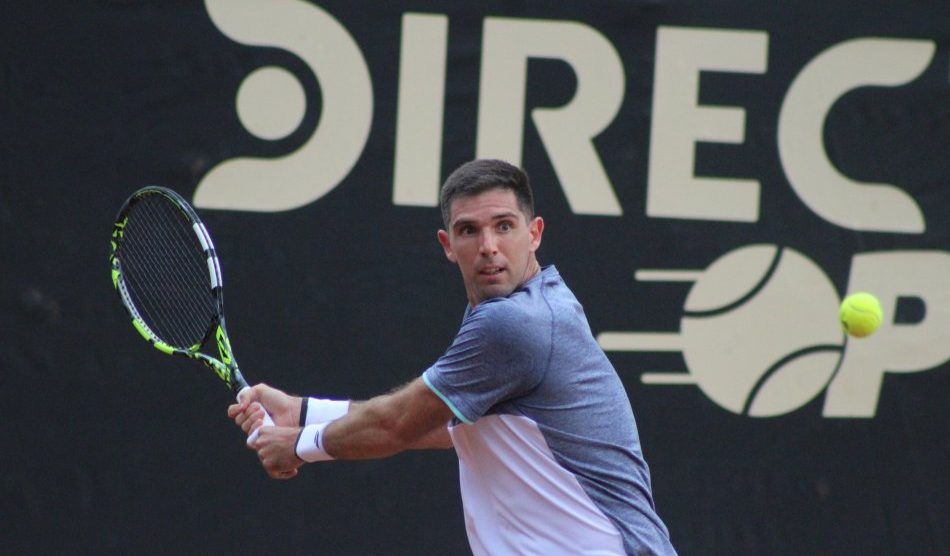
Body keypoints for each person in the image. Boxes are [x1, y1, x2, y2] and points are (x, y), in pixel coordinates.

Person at [229, 159, 676, 555]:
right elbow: (447, 425)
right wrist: (304, 413)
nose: (488, 246)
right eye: (469, 230)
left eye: (504, 226)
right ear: (447, 244)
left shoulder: (516, 324)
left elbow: (398, 423)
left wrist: (299, 446)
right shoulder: (516, 312)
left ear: (534, 233)